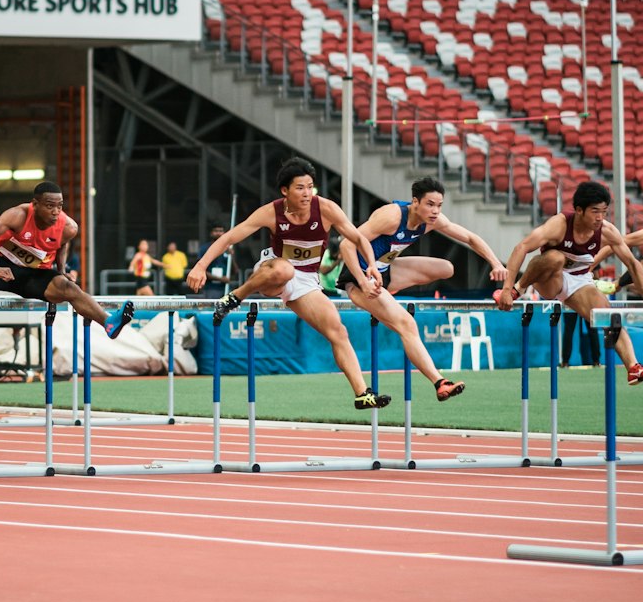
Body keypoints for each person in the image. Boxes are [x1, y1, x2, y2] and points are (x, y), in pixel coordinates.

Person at [186, 156, 389, 411]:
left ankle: (362, 393)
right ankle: (235, 296)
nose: (306, 194)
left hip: (306, 282)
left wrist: (370, 264)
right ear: (285, 190)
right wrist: (201, 265)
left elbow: (359, 238)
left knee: (338, 331)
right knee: (285, 269)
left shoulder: (326, 209)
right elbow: (230, 238)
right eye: (300, 188)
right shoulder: (271, 212)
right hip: (273, 270)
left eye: (310, 187)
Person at [337, 176, 508, 402]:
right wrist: (363, 279)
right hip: (360, 278)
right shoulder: (391, 216)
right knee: (407, 323)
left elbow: (469, 237)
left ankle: (388, 294)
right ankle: (439, 382)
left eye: (439, 205)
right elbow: (347, 244)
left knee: (446, 268)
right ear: (415, 202)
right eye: (430, 204)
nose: (435, 211)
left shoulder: (432, 220)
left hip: (387, 271)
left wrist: (496, 263)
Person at [494, 180, 643, 385]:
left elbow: (633, 265)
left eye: (604, 211)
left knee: (608, 314)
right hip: (549, 278)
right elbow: (522, 247)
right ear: (579, 210)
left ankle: (634, 368)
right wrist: (507, 289)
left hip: (579, 281)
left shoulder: (607, 231)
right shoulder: (559, 224)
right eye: (595, 211)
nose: (600, 217)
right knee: (555, 258)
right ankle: (519, 289)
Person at [0, 180, 132, 340]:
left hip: (36, 276)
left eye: (60, 206)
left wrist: (61, 269)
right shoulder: (19, 215)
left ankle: (108, 323)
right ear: (35, 204)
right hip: (5, 267)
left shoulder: (68, 227)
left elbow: (62, 244)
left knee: (71, 289)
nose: (56, 212)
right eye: (50, 206)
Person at [198, 225, 232, 297]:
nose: (218, 233)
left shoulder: (227, 249)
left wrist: (231, 256)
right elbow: (200, 269)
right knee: (212, 307)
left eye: (221, 231)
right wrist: (220, 279)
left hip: (225, 288)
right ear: (211, 233)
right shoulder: (205, 249)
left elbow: (234, 270)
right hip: (211, 288)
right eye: (216, 231)